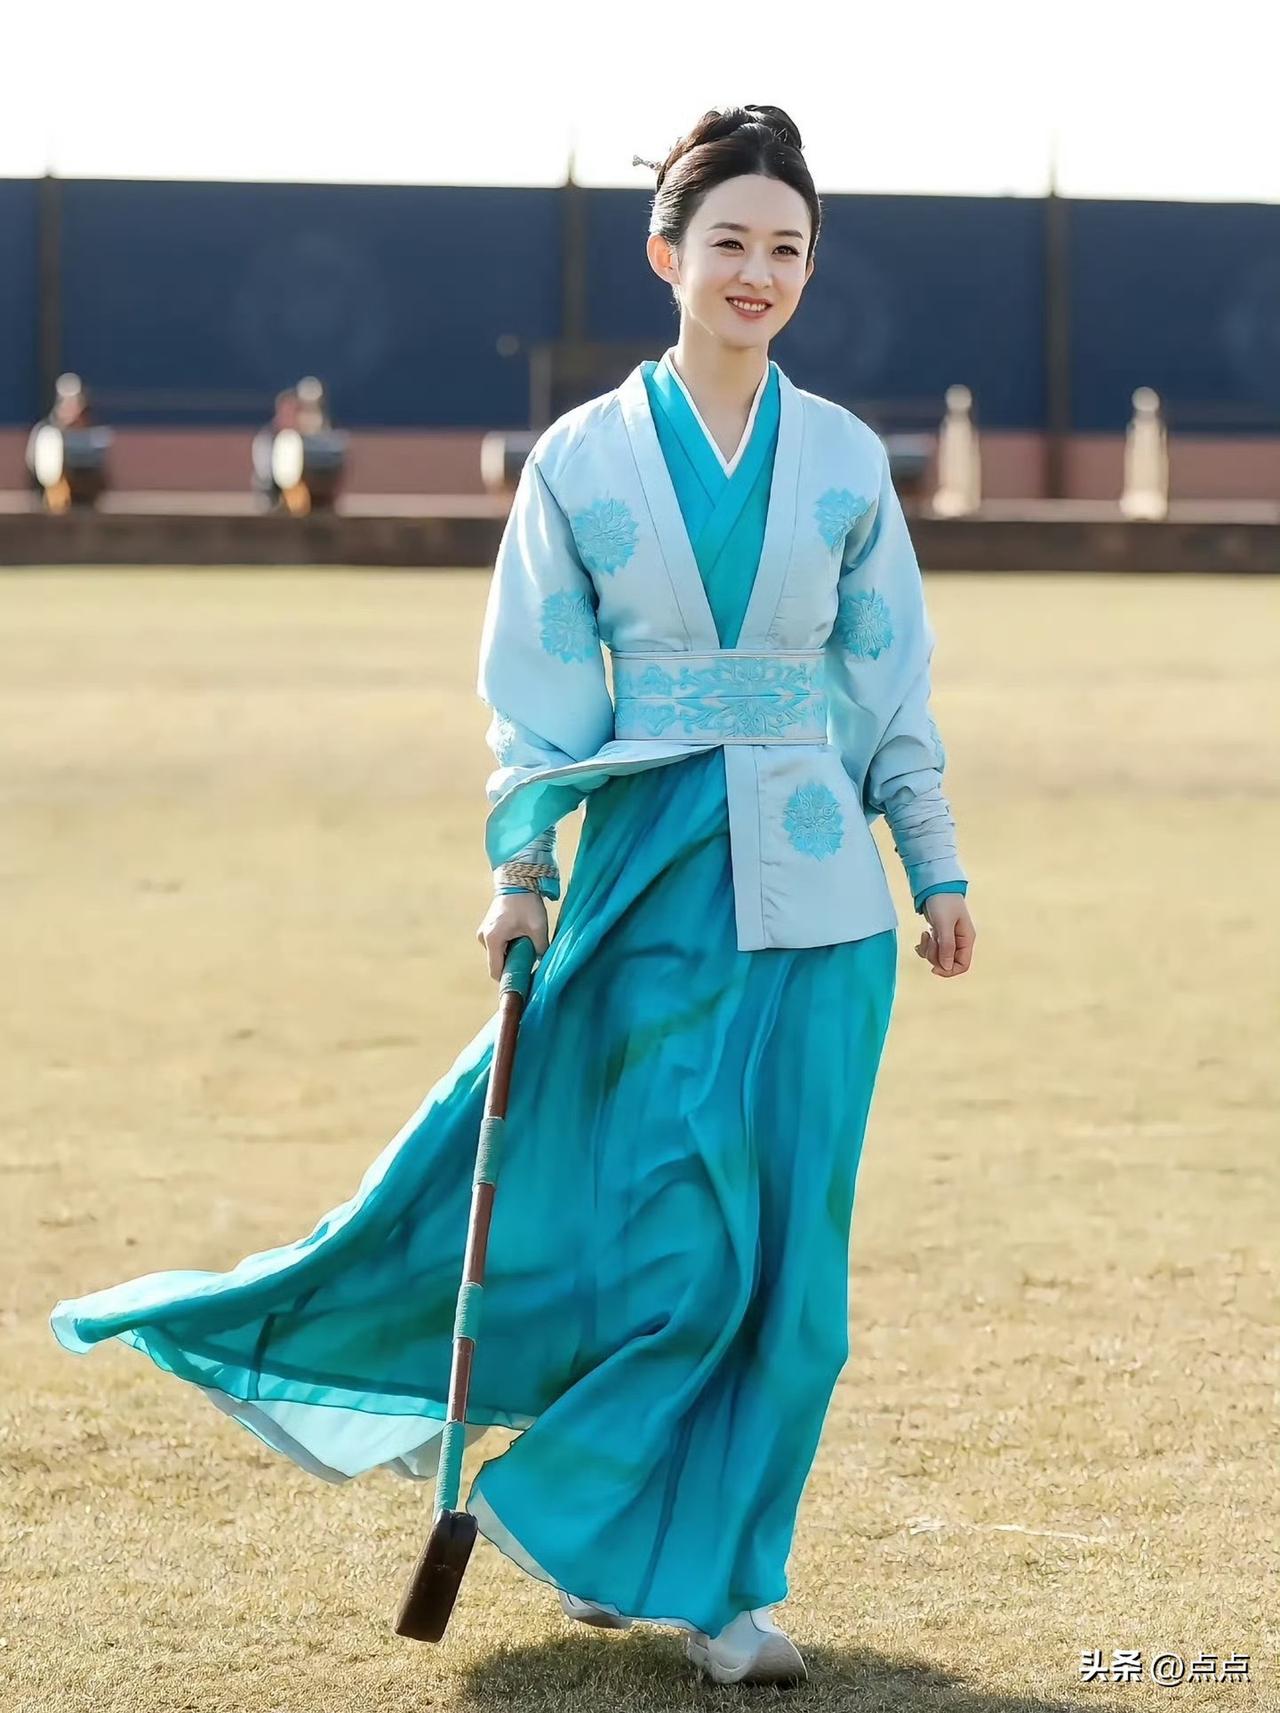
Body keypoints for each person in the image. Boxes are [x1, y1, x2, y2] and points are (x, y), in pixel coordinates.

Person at [50, 104, 976, 1688]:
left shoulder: (841, 462)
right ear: (667, 253)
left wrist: (934, 856)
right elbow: (539, 695)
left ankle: (647, 1542)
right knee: (686, 1253)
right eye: (730, 241)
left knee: (801, 1291)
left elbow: (887, 678)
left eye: (787, 248)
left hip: (826, 904)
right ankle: (673, 1562)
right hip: (651, 883)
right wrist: (522, 868)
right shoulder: (583, 460)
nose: (756, 272)